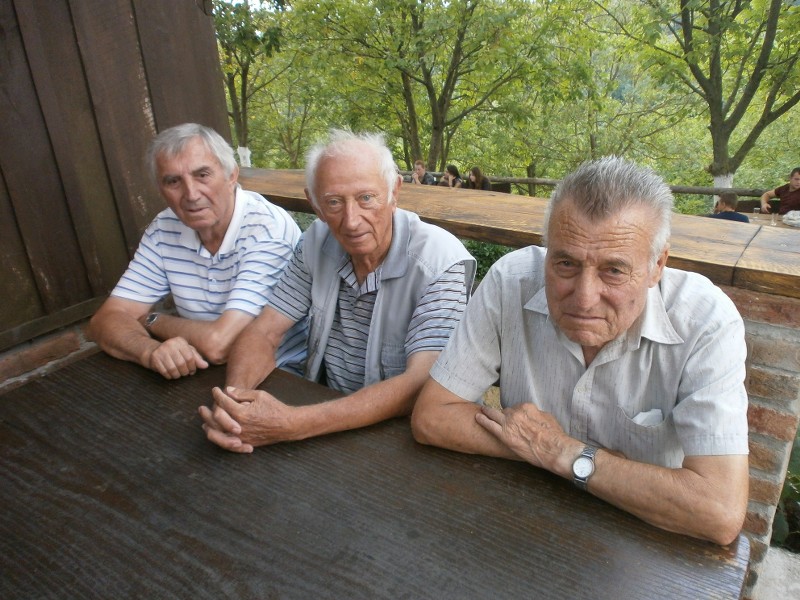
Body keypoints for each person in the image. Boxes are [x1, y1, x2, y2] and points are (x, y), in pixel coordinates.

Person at [411, 156, 749, 546]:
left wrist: (561, 451)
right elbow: (432, 417)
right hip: (521, 525)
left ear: (657, 266)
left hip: (643, 543)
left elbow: (718, 511)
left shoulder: (705, 321)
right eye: (566, 264)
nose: (585, 298)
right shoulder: (511, 281)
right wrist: (543, 450)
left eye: (614, 270)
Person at [199, 129, 476, 453]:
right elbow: (264, 331)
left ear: (395, 192)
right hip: (329, 417)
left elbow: (421, 383)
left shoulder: (440, 261)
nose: (352, 221)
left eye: (366, 198)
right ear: (315, 205)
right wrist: (234, 405)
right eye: (333, 202)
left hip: (406, 437)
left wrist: (293, 423)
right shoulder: (315, 242)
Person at [88, 123, 306, 380]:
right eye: (173, 181)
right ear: (160, 190)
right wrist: (150, 351)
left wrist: (151, 320)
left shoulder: (268, 229)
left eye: (202, 175)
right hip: (198, 369)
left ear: (231, 175)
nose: (191, 194)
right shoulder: (164, 227)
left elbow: (220, 345)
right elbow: (103, 321)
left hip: (279, 375)